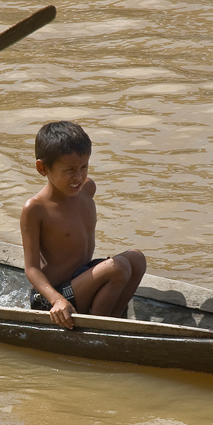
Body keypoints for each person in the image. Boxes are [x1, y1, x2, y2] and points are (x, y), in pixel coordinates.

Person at [20, 121, 146, 329]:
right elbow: (32, 268)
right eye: (69, 170)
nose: (78, 177)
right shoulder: (35, 208)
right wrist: (57, 300)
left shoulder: (87, 189)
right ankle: (93, 330)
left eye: (84, 167)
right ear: (42, 168)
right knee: (119, 267)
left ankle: (111, 321)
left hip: (81, 279)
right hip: (56, 298)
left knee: (136, 259)